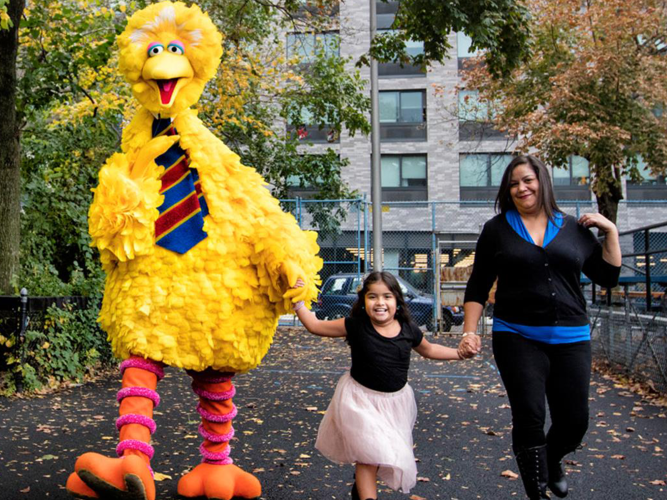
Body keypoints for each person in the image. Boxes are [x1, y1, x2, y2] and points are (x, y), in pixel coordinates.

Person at [462, 155, 621, 499]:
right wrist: (469, 331)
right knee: (530, 414)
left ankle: (551, 457)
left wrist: (611, 231)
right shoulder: (496, 230)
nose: (521, 188)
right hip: (516, 335)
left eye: (527, 181)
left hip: (572, 337)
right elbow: (477, 285)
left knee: (574, 422)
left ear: (542, 182)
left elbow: (607, 277)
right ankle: (537, 491)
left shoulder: (572, 229)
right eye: (514, 183)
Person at [291, 271, 479, 500]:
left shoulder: (408, 329)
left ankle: (359, 492)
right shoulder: (356, 325)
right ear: (363, 302)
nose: (380, 302)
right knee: (368, 457)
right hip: (359, 400)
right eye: (372, 297)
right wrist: (298, 301)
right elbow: (315, 325)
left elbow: (429, 350)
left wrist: (459, 354)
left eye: (387, 296)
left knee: (381, 454)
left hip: (395, 404)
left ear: (397, 302)